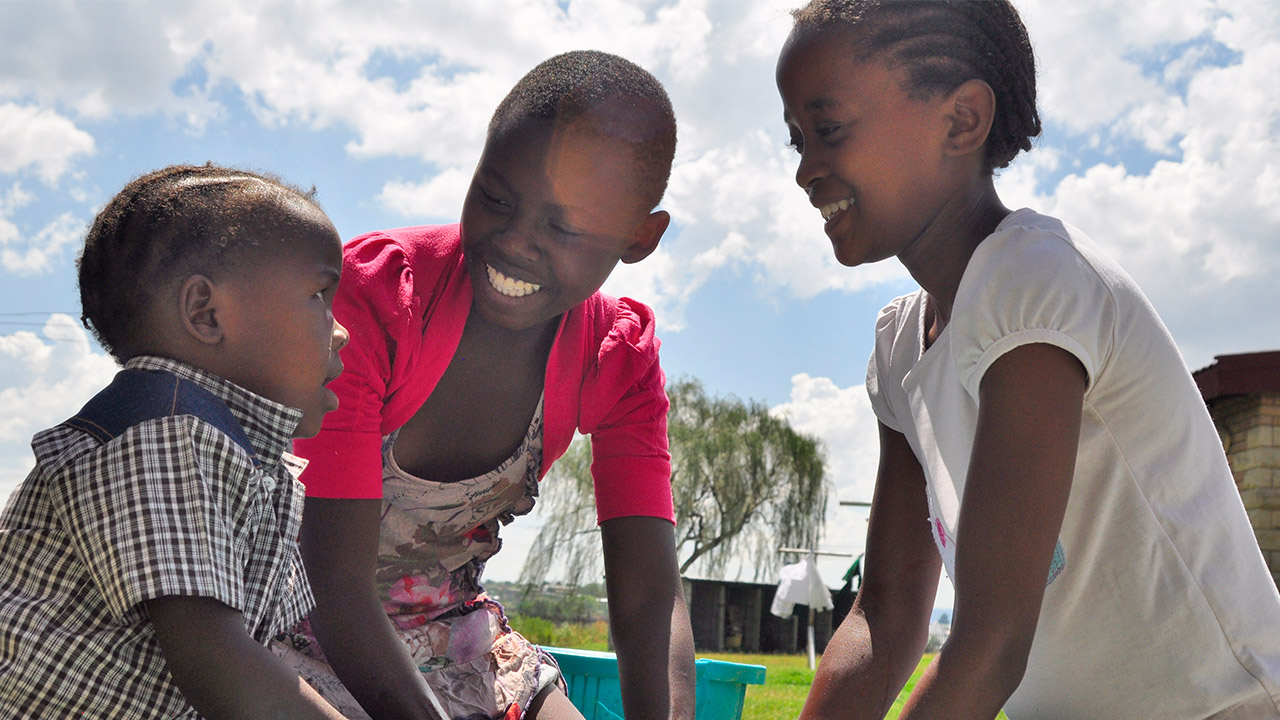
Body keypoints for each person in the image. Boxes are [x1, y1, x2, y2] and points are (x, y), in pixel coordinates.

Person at [776, 1, 1280, 718]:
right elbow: (884, 617)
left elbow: (991, 644)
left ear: (961, 121)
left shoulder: (1034, 279)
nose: (805, 170)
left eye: (828, 131)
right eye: (796, 140)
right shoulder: (900, 349)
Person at [273, 50, 695, 720]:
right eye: (496, 198)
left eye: (565, 226)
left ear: (640, 237)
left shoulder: (614, 355)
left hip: (451, 642)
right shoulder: (378, 299)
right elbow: (334, 582)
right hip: (286, 629)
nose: (515, 241)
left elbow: (648, 594)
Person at [0, 164, 350, 719]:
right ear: (206, 313)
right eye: (320, 295)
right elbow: (221, 665)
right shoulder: (166, 431)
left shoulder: (239, 453)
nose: (341, 331)